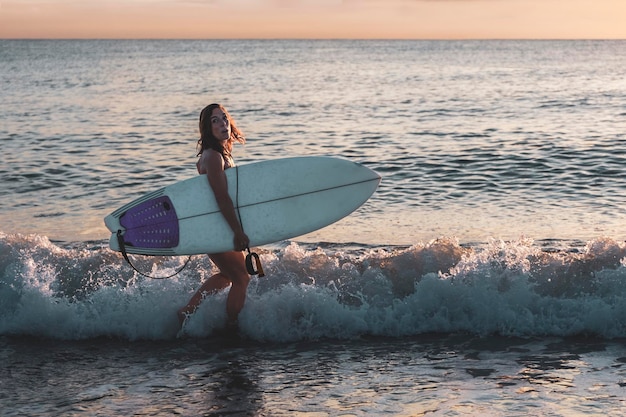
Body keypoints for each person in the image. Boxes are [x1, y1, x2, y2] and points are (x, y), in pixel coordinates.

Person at [177, 103, 251, 330]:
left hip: (217, 225)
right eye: (215, 121)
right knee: (242, 278)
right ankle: (231, 326)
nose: (223, 123)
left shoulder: (220, 153)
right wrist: (237, 231)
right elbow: (221, 198)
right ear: (207, 129)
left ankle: (187, 312)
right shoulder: (213, 157)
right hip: (218, 227)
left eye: (224, 118)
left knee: (230, 275)